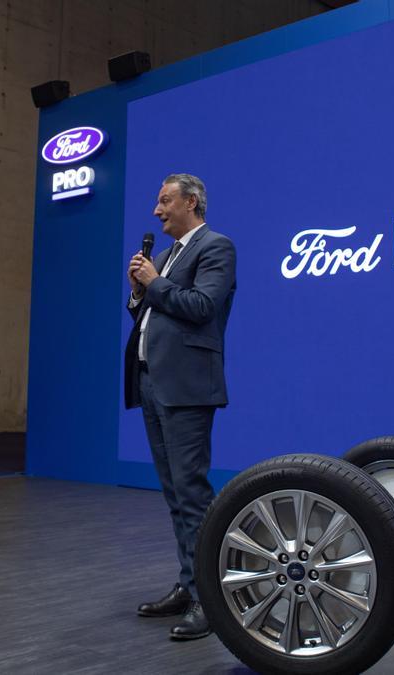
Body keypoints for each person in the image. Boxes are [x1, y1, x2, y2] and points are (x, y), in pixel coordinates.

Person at [124, 173, 236, 640]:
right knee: (174, 493)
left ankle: (211, 600)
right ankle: (189, 584)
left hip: (187, 387)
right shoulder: (168, 255)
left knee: (192, 493)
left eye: (165, 200)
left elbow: (202, 306)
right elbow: (153, 312)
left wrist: (154, 284)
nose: (156, 209)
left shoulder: (216, 246)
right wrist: (138, 291)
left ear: (191, 202)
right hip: (153, 382)